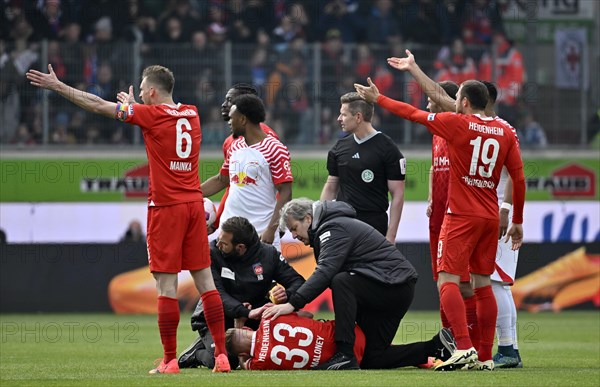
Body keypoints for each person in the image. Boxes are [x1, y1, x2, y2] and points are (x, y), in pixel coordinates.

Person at [26, 64, 231, 374]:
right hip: (193, 204)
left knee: (166, 286)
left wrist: (58, 87)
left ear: (150, 91)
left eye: (142, 89)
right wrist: (135, 107)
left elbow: (96, 104)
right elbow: (156, 118)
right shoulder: (191, 113)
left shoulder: (150, 114)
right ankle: (222, 357)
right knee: (206, 283)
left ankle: (170, 360)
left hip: (166, 208)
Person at [355, 68, 525, 372]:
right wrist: (517, 219)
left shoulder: (459, 125)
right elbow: (519, 176)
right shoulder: (506, 131)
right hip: (490, 216)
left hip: (461, 216)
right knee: (483, 284)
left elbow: (412, 114)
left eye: (456, 97)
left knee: (447, 278)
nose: (452, 101)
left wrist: (379, 98)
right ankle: (486, 355)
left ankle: (463, 347)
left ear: (464, 103)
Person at [263, 199, 444, 371]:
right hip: (392, 287)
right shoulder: (331, 227)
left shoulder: (332, 228)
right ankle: (437, 346)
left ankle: (345, 354)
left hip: (393, 286)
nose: (294, 236)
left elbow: (326, 271)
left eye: (294, 228)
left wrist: (293, 304)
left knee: (341, 281)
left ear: (308, 219)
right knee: (371, 357)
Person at [178, 216, 305, 369]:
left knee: (272, 354)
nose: (218, 244)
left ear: (240, 247)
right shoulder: (211, 253)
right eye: (218, 239)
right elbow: (216, 294)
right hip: (216, 318)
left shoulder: (269, 254)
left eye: (223, 243)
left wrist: (286, 295)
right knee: (225, 361)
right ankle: (194, 354)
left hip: (256, 318)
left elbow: (298, 282)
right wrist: (244, 311)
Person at [423, 80, 479, 348]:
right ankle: (448, 344)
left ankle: (472, 342)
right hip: (438, 216)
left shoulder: (461, 126)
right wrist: (431, 196)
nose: (426, 104)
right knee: (440, 283)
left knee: (464, 285)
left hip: (459, 215)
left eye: (431, 99)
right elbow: (435, 167)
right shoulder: (437, 132)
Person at [200, 94, 293, 248]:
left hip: (260, 233)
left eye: (232, 118)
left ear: (243, 120)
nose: (229, 122)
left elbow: (286, 193)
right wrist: (188, 192)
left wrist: (271, 229)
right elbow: (221, 180)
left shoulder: (275, 148)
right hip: (228, 233)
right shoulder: (234, 146)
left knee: (264, 272)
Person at [227, 311, 457, 371]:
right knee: (376, 355)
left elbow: (244, 363)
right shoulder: (271, 320)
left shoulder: (258, 362)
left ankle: (430, 351)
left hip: (343, 357)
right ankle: (432, 351)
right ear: (247, 328)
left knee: (374, 359)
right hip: (347, 332)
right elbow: (306, 316)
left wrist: (242, 358)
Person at [321, 92, 406, 243]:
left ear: (358, 117)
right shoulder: (339, 147)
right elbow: (331, 187)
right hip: (343, 224)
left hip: (374, 227)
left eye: (344, 115)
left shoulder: (387, 148)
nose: (339, 119)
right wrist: (321, 222)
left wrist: (391, 236)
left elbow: (398, 194)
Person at [208, 84, 279, 233]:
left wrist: (275, 225)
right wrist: (216, 222)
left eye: (229, 100)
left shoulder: (268, 139)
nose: (223, 105)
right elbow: (230, 184)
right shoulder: (230, 143)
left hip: (260, 227)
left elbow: (279, 187)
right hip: (234, 225)